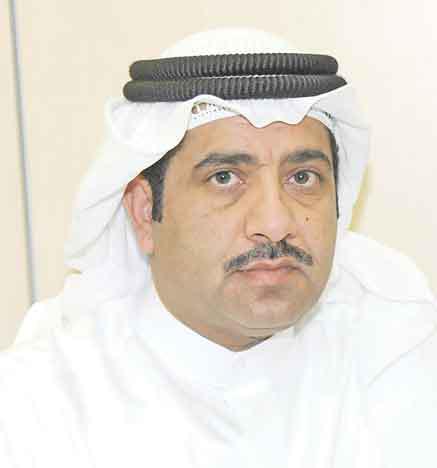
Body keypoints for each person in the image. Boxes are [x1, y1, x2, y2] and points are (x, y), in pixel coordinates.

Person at [1, 27, 436, 468]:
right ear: (145, 212)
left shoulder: (397, 355)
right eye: (224, 178)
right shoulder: (38, 409)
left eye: (302, 178)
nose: (274, 224)